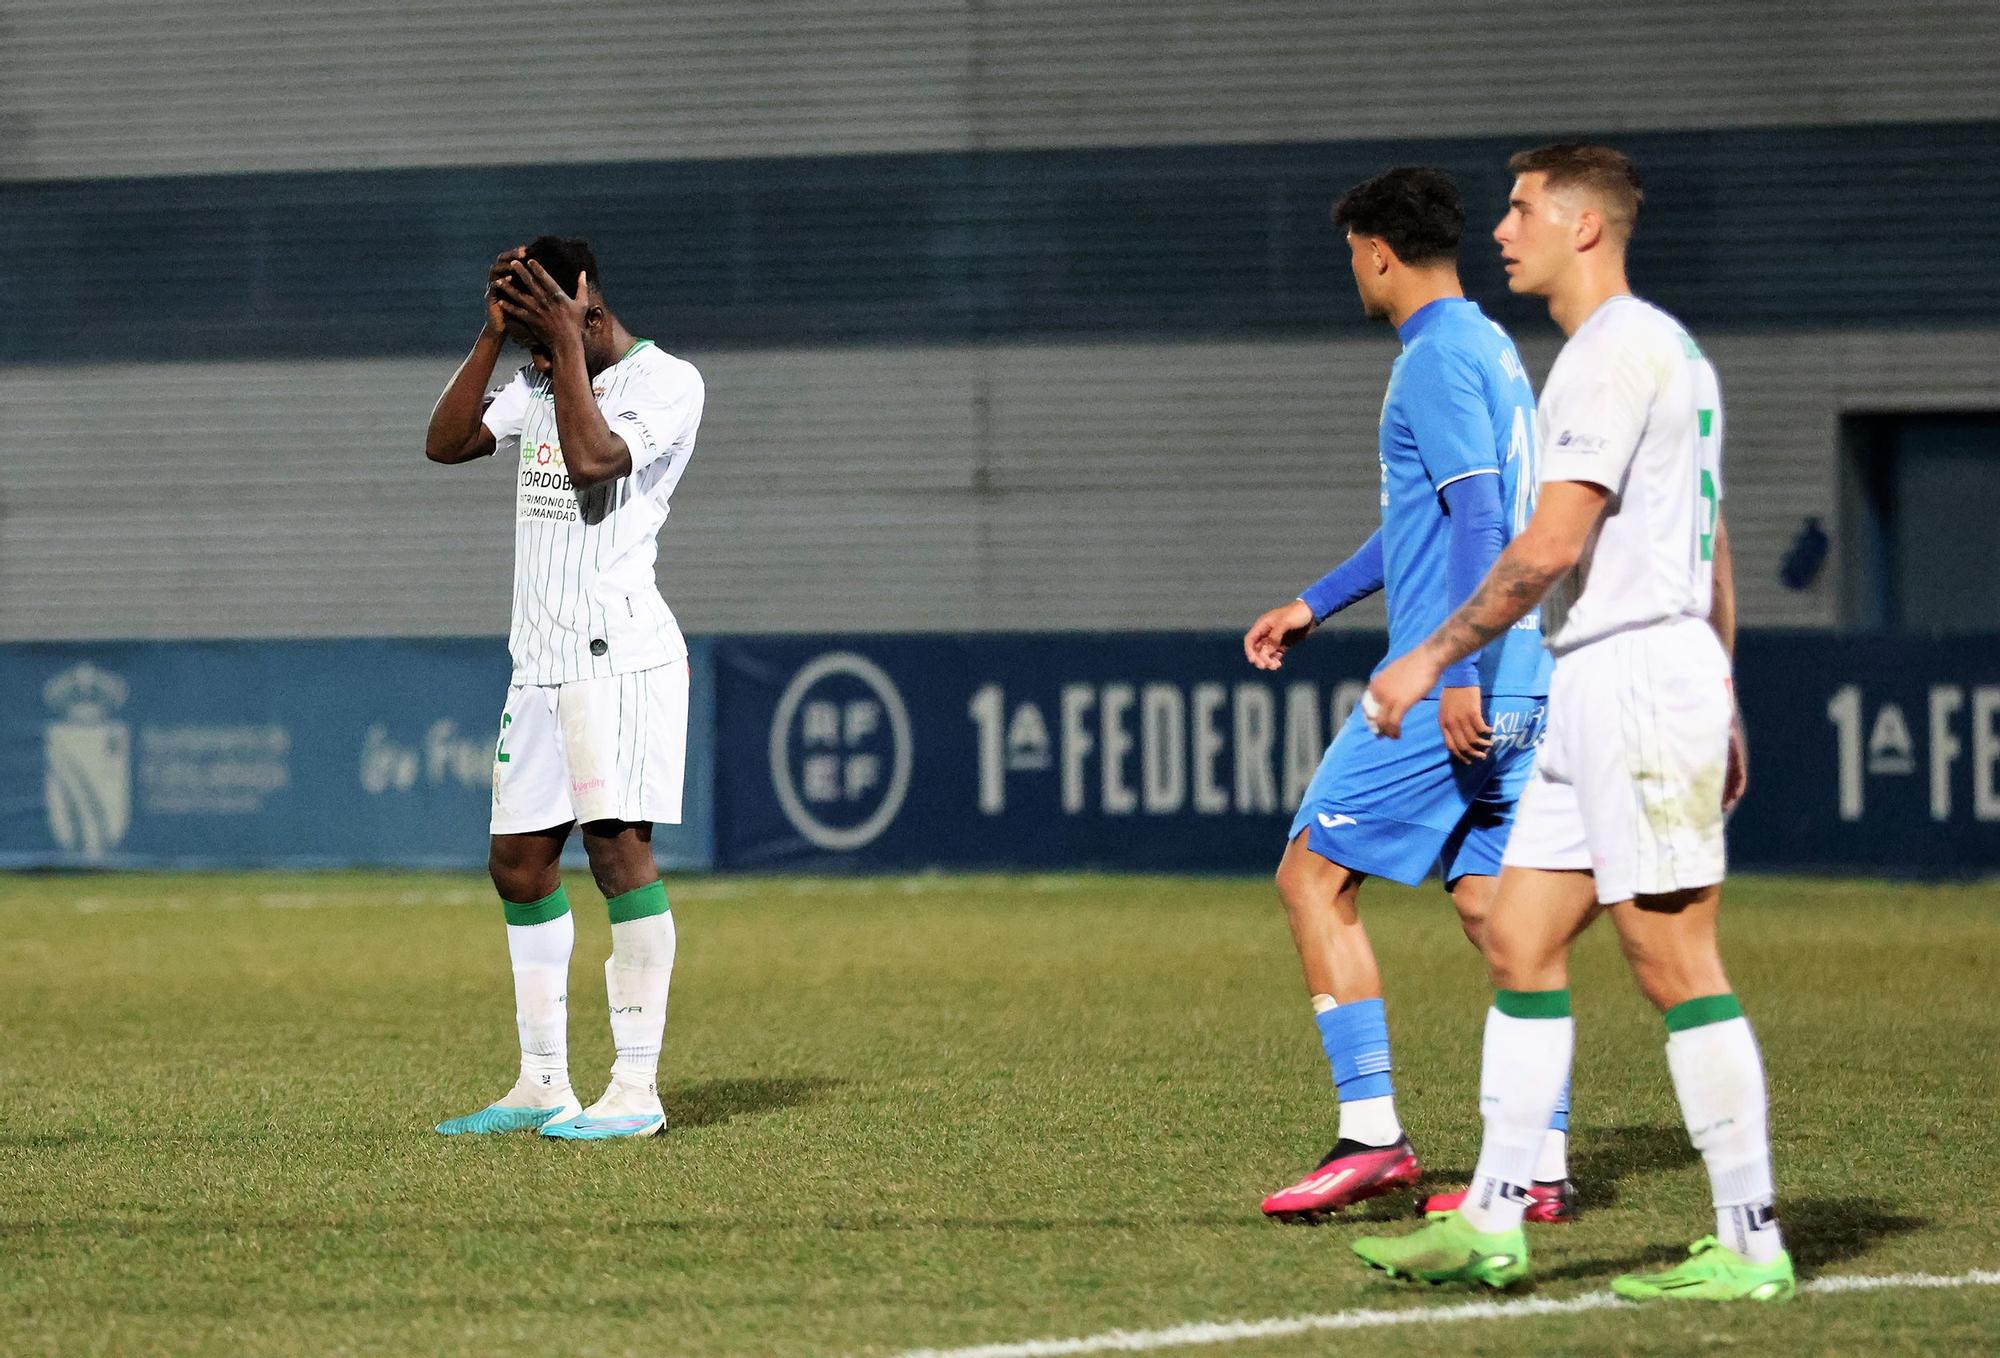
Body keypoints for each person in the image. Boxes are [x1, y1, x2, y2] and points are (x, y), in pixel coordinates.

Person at [1351, 145, 1792, 1303]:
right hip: (1602, 676)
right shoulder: (1657, 350)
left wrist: (1427, 658)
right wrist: (1726, 680)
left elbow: (1546, 546)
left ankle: (1749, 1241)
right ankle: (1492, 1219)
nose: (1501, 230)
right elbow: (1714, 538)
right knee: (1516, 935)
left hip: (1634, 675)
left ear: (1583, 226)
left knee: (1669, 955)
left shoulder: (1609, 352)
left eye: (1521, 209)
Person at [1243, 167, 1569, 1222]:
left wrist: (1451, 673)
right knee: (1491, 909)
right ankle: (1543, 1159)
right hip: (1528, 670)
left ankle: (1370, 1135)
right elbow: (1437, 517)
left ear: (1377, 250)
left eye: (1351, 253)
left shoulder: (1430, 360)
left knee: (1311, 873)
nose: (1353, 270)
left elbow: (1477, 524)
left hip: (1457, 680)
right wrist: (1314, 600)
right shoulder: (1491, 352)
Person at [422, 236, 705, 1140]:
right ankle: (543, 1080)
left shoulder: (670, 383)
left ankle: (637, 1089)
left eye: (549, 332)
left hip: (616, 656)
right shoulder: (540, 374)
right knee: (518, 864)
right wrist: (492, 338)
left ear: (588, 299)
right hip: (537, 663)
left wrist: (565, 349)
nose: (539, 362)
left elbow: (593, 461)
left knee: (619, 855)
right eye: (531, 346)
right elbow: (448, 442)